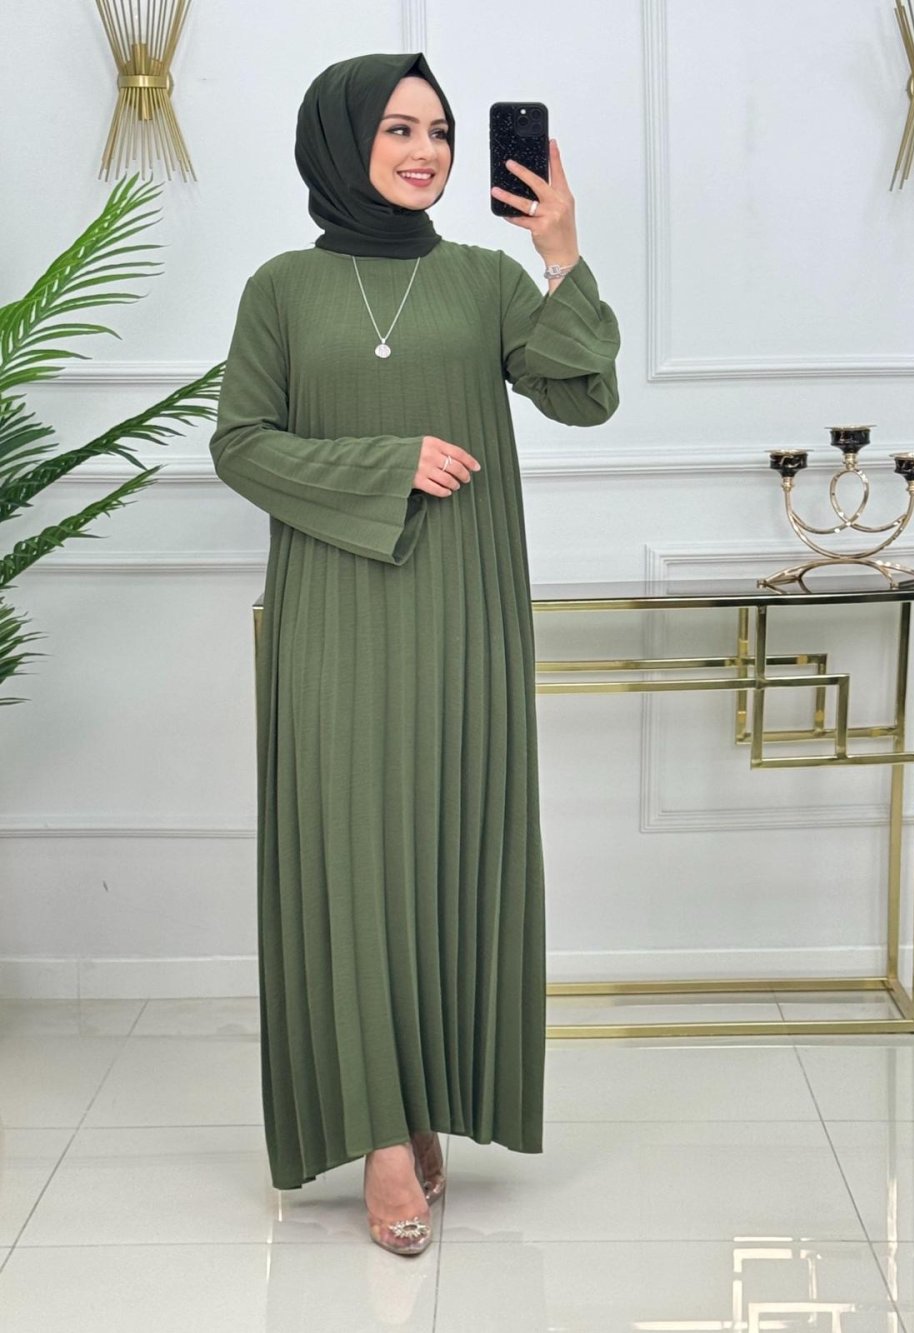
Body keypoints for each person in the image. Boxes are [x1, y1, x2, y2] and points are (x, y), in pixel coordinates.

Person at [210, 52, 619, 1257]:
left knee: (443, 853)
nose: (424, 150)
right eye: (396, 128)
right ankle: (381, 1136)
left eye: (437, 130)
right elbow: (241, 444)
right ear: (343, 141)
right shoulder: (282, 288)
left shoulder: (483, 280)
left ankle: (423, 1096)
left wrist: (559, 252)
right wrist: (386, 463)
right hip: (335, 613)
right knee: (353, 859)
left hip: (465, 609)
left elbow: (583, 397)